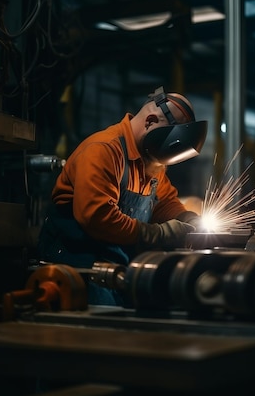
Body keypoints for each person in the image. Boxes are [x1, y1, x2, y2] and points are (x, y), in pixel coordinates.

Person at [37, 86, 207, 306]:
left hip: (115, 265)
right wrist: (159, 233)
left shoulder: (151, 160)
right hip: (77, 264)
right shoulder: (103, 151)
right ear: (150, 122)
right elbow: (98, 217)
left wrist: (187, 219)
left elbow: (164, 203)